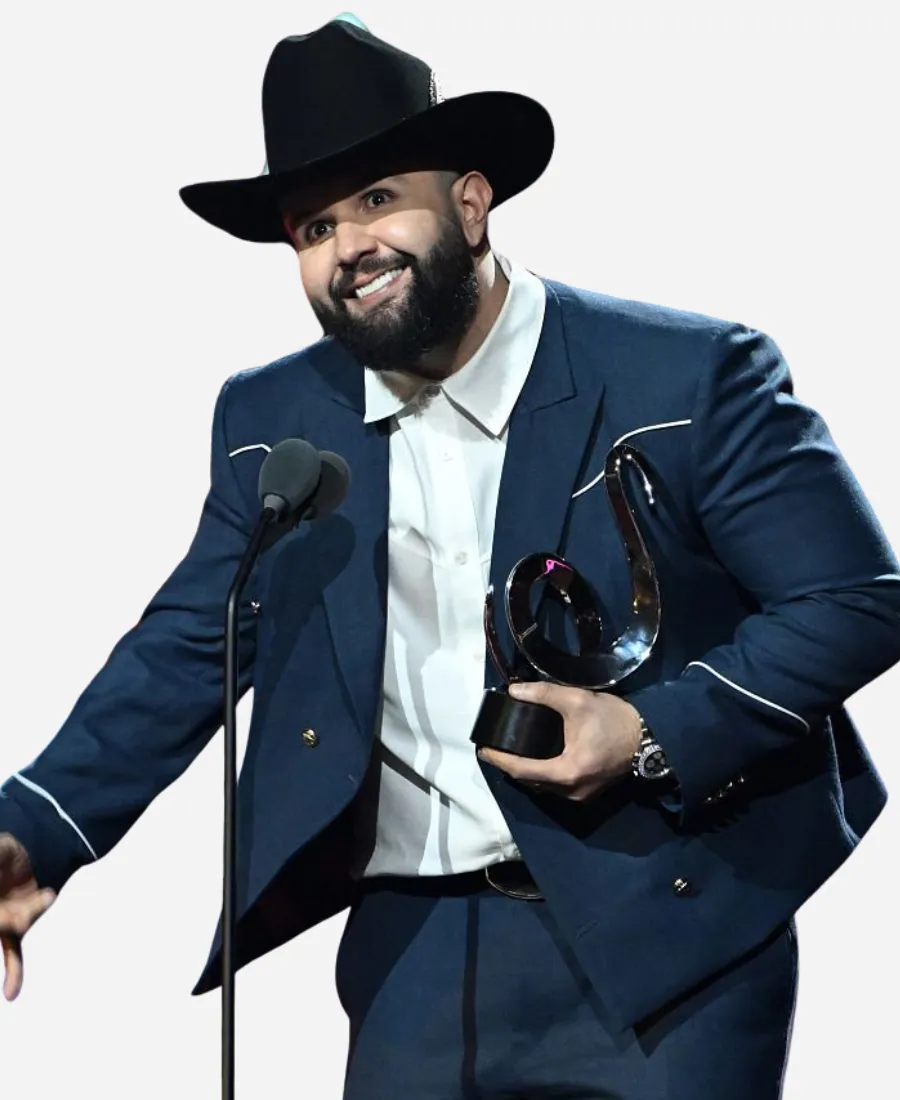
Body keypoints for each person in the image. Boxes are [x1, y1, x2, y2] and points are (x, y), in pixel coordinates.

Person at [2, 16, 899, 1099]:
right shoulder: (274, 420)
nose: (348, 246)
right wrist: (33, 833)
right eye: (314, 226)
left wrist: (651, 732)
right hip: (412, 956)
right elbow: (191, 644)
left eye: (378, 199)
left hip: (666, 931)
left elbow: (856, 597)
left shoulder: (688, 376)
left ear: (471, 204)